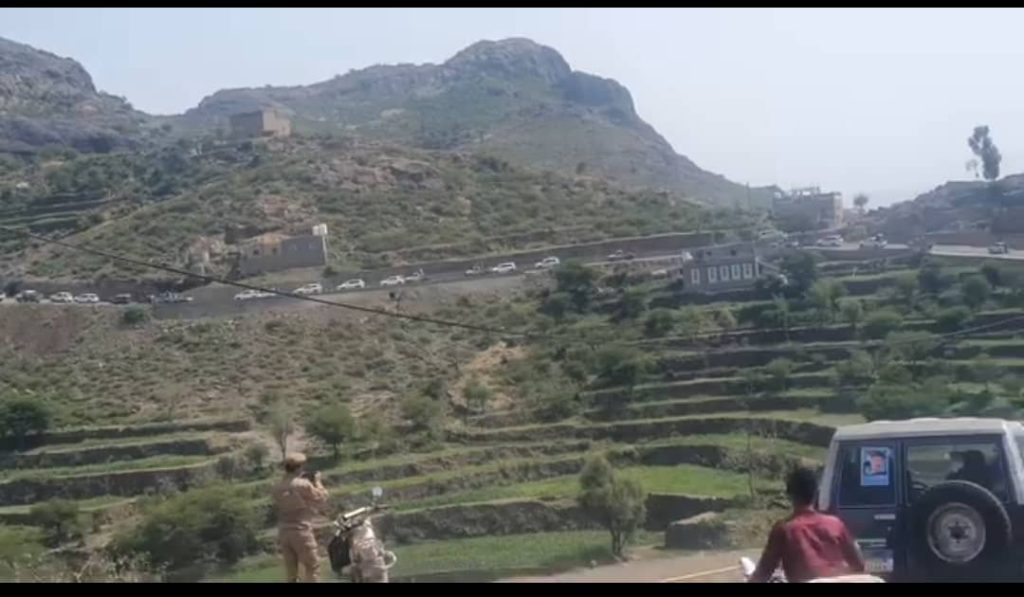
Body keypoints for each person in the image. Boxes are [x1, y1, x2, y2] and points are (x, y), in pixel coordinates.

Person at [749, 467, 865, 583]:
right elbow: (858, 564)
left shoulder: (785, 529)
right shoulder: (835, 524)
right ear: (816, 493)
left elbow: (763, 573)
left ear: (790, 495)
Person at [272, 453, 329, 582]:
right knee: (312, 567)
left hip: (284, 532)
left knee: (292, 572)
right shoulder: (302, 485)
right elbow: (322, 498)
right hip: (301, 530)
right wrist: (317, 482)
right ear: (299, 467)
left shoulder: (277, 487)